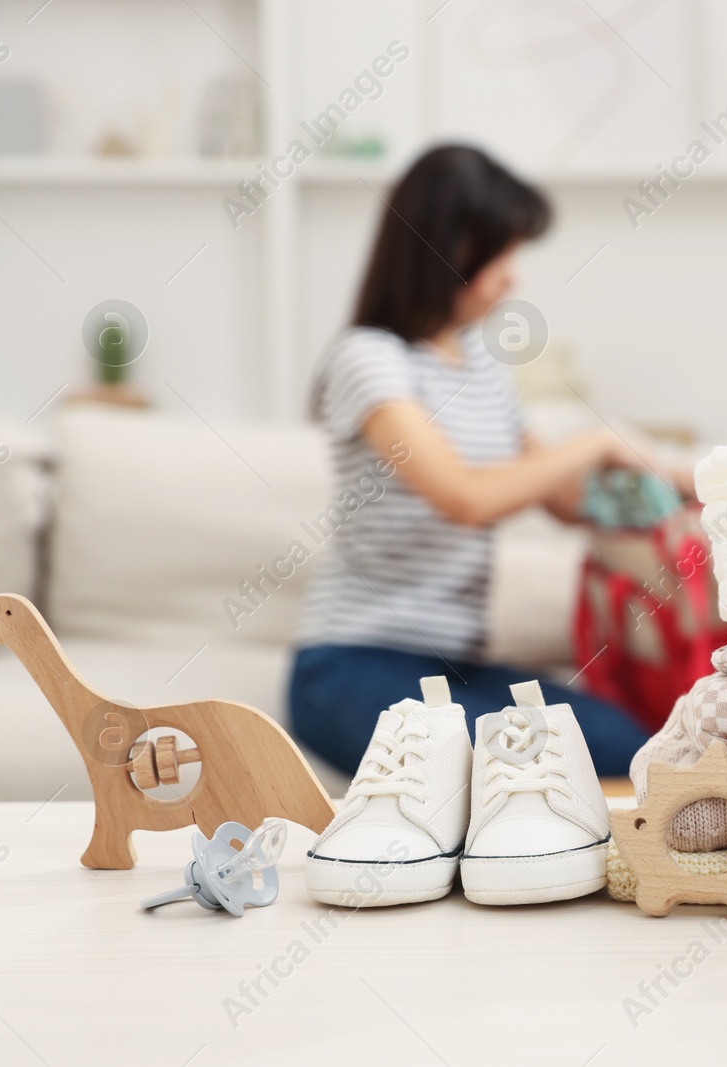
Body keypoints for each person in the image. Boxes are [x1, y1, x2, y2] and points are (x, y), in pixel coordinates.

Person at [288, 144, 676, 778]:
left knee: (628, 746)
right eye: (499, 253)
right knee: (527, 765)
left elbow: (562, 499)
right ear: (444, 247)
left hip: (457, 666)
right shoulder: (370, 359)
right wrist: (598, 440)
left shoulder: (481, 363)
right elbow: (465, 498)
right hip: (352, 662)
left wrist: (681, 485)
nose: (512, 276)